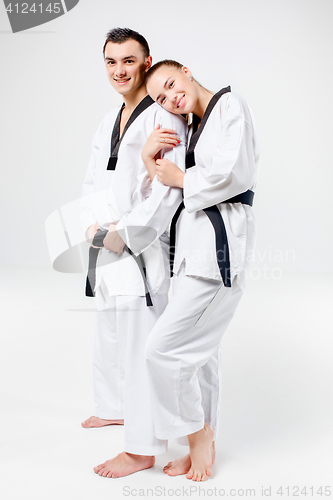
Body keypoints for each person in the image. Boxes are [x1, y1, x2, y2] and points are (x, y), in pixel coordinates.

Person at [141, 60, 260, 481]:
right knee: (201, 355)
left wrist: (181, 177)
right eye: (160, 98)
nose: (171, 98)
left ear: (186, 72)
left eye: (171, 85)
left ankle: (198, 435)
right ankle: (201, 445)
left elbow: (233, 173)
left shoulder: (230, 106)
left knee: (161, 351)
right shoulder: (190, 129)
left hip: (218, 253)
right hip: (191, 255)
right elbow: (161, 187)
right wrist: (148, 157)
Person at [80, 34, 187, 477]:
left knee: (142, 344)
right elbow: (93, 178)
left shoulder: (163, 116)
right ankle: (113, 406)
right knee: (109, 330)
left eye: (128, 60)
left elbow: (166, 188)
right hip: (106, 238)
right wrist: (93, 226)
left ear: (146, 63)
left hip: (141, 245)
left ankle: (142, 447)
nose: (118, 70)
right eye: (110, 61)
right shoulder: (110, 118)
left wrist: (125, 234)